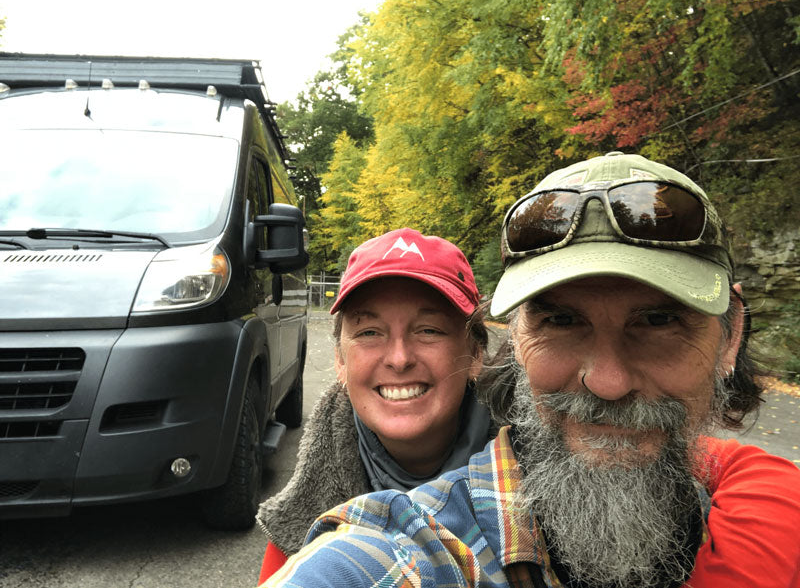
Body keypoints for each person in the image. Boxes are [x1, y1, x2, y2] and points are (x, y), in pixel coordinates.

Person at [261, 153, 800, 588]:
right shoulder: (397, 537)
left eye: (658, 320)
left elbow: (737, 464)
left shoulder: (715, 490)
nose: (607, 381)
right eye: (563, 320)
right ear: (515, 341)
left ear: (730, 336)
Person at [255, 228, 494, 582]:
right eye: (369, 332)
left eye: (429, 330)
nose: (399, 359)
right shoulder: (293, 535)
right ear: (340, 360)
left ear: (475, 353)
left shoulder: (546, 504)